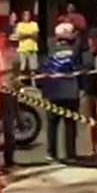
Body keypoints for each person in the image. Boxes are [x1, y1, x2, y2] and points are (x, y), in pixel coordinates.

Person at [38, 22, 80, 162]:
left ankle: (51, 153)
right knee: (70, 125)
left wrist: (43, 89)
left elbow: (42, 72)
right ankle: (70, 154)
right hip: (71, 93)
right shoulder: (74, 53)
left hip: (52, 93)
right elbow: (79, 69)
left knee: (52, 125)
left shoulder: (50, 53)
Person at [78, 28, 97, 156]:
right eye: (91, 40)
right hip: (88, 92)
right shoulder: (84, 55)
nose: (93, 43)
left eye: (96, 40)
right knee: (90, 122)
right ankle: (92, 149)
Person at [0, 42, 21, 171]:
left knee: (8, 128)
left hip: (7, 92)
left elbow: (16, 73)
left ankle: (8, 159)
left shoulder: (11, 53)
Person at [15, 10, 40, 76]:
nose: (27, 17)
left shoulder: (34, 24)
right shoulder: (19, 25)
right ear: (22, 16)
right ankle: (22, 76)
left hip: (32, 47)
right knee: (22, 66)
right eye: (25, 15)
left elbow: (35, 35)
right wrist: (30, 34)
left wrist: (25, 34)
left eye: (28, 15)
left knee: (33, 67)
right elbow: (20, 36)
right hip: (22, 48)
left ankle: (33, 76)